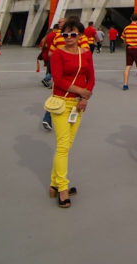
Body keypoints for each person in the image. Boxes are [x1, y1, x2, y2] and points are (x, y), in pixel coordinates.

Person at [48, 19, 95, 208]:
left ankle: (54, 184)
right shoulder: (58, 54)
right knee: (62, 146)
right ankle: (63, 188)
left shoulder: (86, 54)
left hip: (78, 105)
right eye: (65, 34)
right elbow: (58, 80)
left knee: (67, 145)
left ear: (80, 36)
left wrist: (84, 97)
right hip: (61, 103)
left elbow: (91, 77)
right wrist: (81, 91)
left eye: (73, 34)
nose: (68, 37)